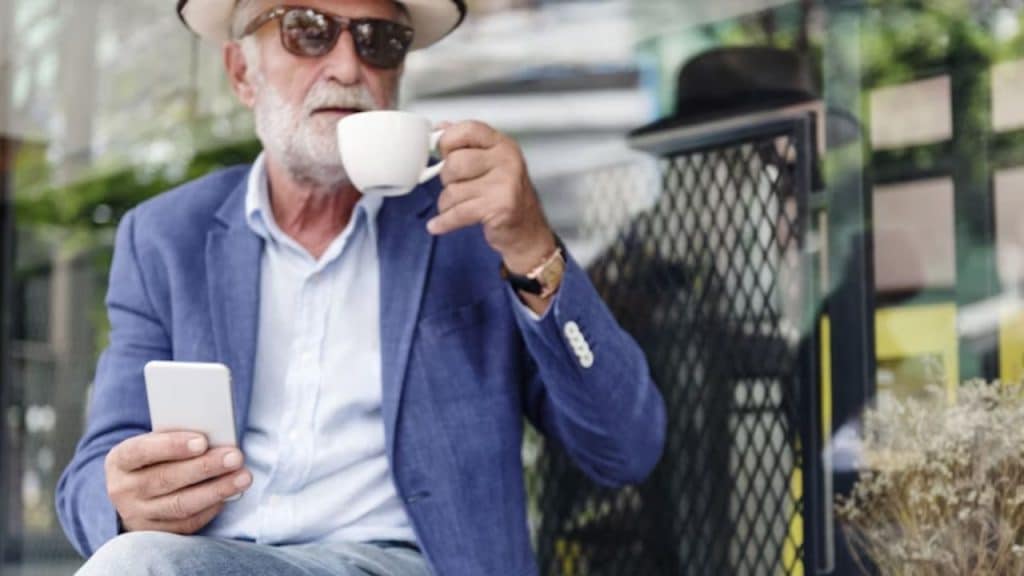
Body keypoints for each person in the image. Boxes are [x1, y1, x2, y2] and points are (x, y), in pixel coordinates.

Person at [56, 1, 667, 574]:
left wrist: (535, 251)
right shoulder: (166, 238)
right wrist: (124, 502)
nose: (348, 65)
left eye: (380, 41)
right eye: (307, 30)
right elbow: (94, 470)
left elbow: (625, 448)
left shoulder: (476, 228)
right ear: (242, 71)